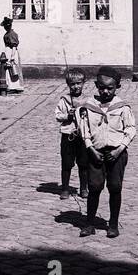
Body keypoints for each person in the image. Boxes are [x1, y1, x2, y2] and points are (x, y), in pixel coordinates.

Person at [77, 67, 136, 238]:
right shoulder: (89, 106)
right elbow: (84, 130)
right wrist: (90, 148)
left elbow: (131, 129)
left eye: (110, 88)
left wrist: (119, 149)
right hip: (95, 152)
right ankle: (89, 224)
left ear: (117, 87)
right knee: (94, 188)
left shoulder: (122, 107)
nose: (105, 91)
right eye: (101, 87)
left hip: (116, 153)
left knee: (115, 187)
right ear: (96, 85)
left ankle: (113, 224)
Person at [55, 67, 88, 199]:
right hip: (68, 135)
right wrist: (67, 116)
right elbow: (57, 115)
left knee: (84, 163)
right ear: (68, 85)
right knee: (67, 163)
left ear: (83, 83)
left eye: (78, 83)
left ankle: (84, 188)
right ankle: (65, 189)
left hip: (83, 136)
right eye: (72, 84)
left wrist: (86, 114)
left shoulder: (88, 100)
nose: (75, 87)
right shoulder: (64, 100)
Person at [0, 17, 25, 92]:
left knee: (13, 68)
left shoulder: (12, 34)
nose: (5, 28)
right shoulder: (7, 34)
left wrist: (12, 56)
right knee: (8, 69)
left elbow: (14, 46)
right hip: (8, 51)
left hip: (11, 52)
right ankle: (10, 85)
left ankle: (16, 86)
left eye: (6, 26)